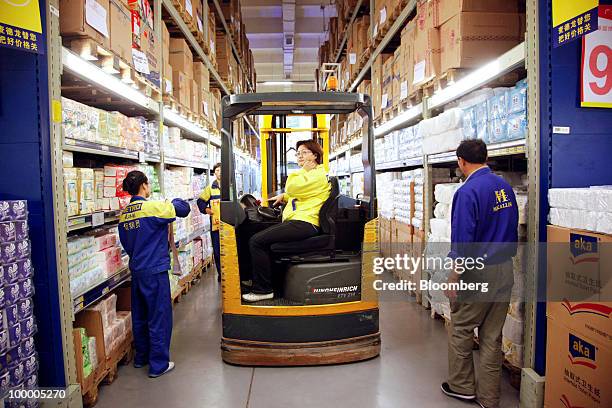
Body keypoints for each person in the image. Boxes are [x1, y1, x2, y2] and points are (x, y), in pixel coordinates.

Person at [441, 140, 518, 408]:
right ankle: (489, 397)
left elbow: (463, 241)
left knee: (461, 327)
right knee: (492, 335)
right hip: (504, 269)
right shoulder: (505, 188)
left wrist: (453, 277)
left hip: (476, 272)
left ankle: (461, 387)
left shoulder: (467, 192)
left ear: (461, 161)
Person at [118, 170, 191, 378]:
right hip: (155, 271)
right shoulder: (153, 207)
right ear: (144, 185)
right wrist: (173, 201)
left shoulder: (125, 214)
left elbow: (126, 244)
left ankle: (142, 357)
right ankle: (159, 364)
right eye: (148, 185)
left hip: (137, 270)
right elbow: (183, 209)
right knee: (158, 316)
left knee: (140, 315)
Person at [242, 140, 331, 302]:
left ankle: (263, 290)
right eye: (298, 153)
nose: (299, 156)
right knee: (256, 234)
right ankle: (257, 278)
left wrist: (298, 176)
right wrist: (284, 197)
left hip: (305, 223)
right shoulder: (312, 175)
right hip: (300, 220)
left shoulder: (317, 174)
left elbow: (293, 187)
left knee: (256, 241)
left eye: (304, 152)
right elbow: (300, 193)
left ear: (315, 155)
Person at [197, 162, 222, 281]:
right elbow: (200, 201)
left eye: (221, 170)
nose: (219, 172)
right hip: (216, 225)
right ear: (214, 173)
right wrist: (207, 209)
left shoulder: (231, 186)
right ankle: (221, 274)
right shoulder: (210, 188)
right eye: (217, 170)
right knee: (217, 250)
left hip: (229, 224)